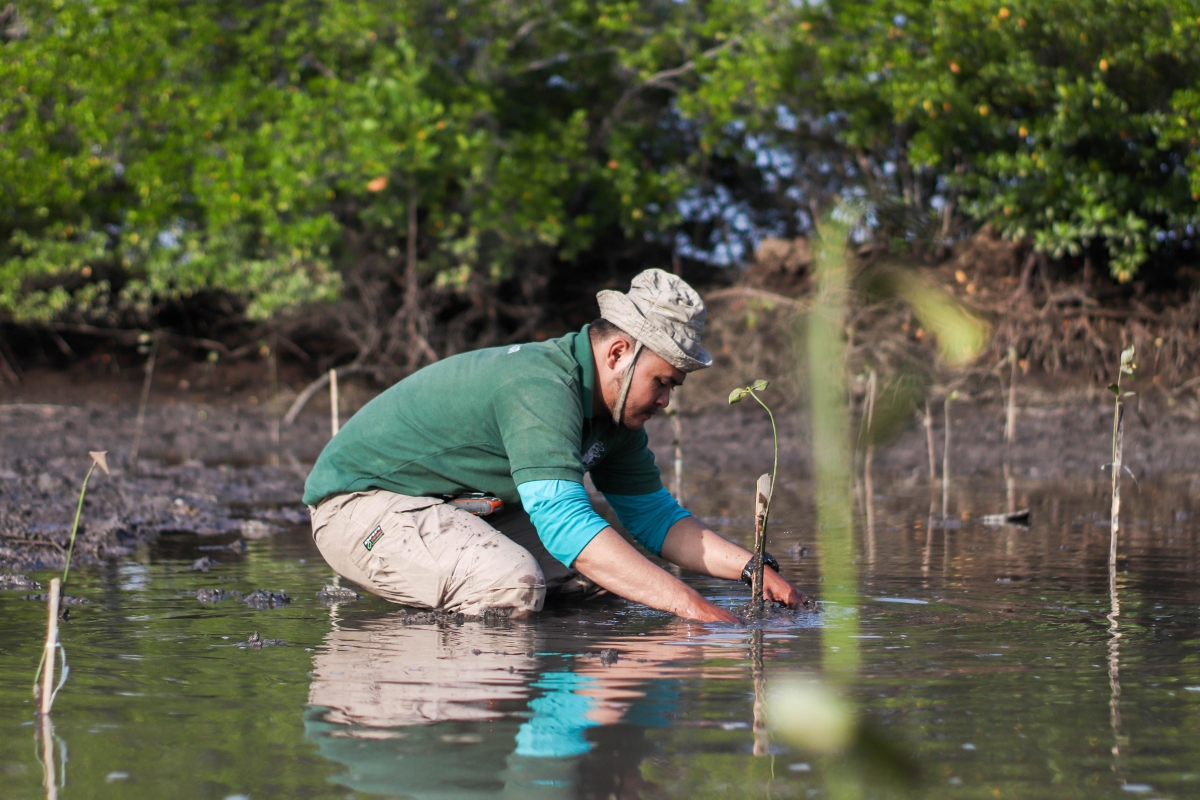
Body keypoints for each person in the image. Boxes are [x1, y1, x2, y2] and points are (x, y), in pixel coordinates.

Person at [303, 268, 809, 622]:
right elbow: (564, 524)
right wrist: (696, 610)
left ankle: (544, 681)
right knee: (510, 583)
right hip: (358, 509)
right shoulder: (540, 386)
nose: (666, 401)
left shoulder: (615, 417)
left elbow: (655, 518)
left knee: (606, 578)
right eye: (664, 382)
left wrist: (751, 569)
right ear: (618, 354)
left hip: (454, 508)